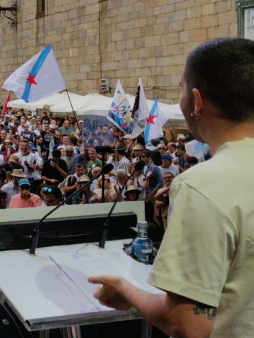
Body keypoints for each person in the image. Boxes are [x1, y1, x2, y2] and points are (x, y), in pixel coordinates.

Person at [89, 38, 254, 337]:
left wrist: (127, 292)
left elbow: (187, 324)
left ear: (197, 100)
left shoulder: (203, 185)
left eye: (180, 88)